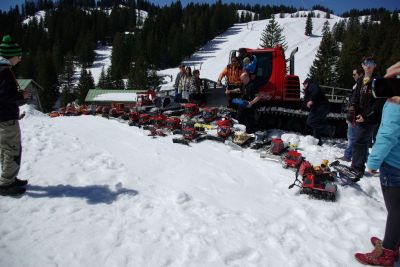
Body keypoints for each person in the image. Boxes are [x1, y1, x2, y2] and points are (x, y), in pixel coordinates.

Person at [354, 61, 400, 266]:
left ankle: (388, 251)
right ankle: (394, 242)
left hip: (394, 164)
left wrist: (372, 162)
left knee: (396, 209)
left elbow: (388, 135)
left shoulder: (395, 105)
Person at [0, 35, 30, 197]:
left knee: (6, 149)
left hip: (3, 117)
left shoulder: (3, 69)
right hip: (6, 118)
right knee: (12, 149)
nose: (20, 59)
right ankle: (6, 184)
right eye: (18, 56)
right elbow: (3, 96)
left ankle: (9, 178)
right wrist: (21, 96)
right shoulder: (4, 71)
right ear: (11, 56)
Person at [350, 57, 386, 179]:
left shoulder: (378, 81)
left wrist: (366, 116)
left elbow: (379, 102)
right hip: (360, 116)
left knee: (359, 141)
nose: (368, 66)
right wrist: (352, 110)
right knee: (362, 142)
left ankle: (357, 168)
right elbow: (355, 98)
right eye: (366, 63)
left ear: (374, 66)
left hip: (371, 118)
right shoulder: (360, 80)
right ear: (363, 65)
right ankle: (360, 165)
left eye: (371, 63)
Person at [338, 67, 364, 162]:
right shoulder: (357, 85)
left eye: (354, 74)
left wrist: (349, 117)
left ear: (360, 74)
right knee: (355, 138)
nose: (353, 76)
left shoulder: (360, 85)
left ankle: (348, 156)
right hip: (354, 115)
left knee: (352, 137)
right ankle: (350, 156)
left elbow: (355, 103)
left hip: (354, 116)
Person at [302, 78, 330, 145]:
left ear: (307, 83)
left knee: (310, 121)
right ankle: (318, 142)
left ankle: (329, 129)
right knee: (316, 124)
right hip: (321, 107)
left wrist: (311, 100)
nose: (304, 85)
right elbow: (305, 100)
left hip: (321, 106)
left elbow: (316, 91)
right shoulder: (308, 91)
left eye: (304, 84)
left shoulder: (312, 86)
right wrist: (302, 108)